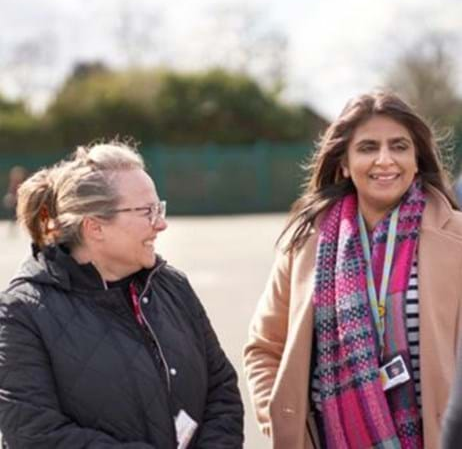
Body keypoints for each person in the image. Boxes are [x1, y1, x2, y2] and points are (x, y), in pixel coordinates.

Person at [243, 90, 462, 449]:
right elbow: (265, 346)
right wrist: (287, 422)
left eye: (399, 146)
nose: (385, 160)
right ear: (343, 162)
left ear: (417, 159)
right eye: (368, 148)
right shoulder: (305, 244)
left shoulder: (456, 240)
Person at [0, 141, 244, 448]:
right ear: (94, 227)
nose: (161, 223)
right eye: (147, 211)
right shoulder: (22, 312)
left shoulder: (173, 286)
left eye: (160, 208)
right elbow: (33, 434)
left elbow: (221, 389)